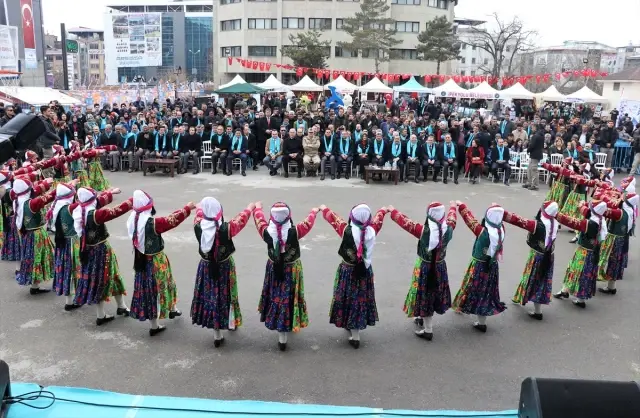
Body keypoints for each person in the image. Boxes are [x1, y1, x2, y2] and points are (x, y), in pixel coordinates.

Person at [252, 201, 319, 351]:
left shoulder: (266, 231)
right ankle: (288, 325)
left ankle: (281, 336)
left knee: (277, 295)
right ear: (288, 216)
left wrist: (257, 208)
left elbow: (259, 220)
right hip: (292, 269)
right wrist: (314, 211)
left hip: (273, 267)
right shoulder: (296, 231)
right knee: (289, 297)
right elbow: (308, 222)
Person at [320, 204, 387, 348]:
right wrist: (383, 210)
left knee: (348, 298)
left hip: (347, 271)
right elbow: (378, 221)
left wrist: (324, 208)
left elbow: (334, 219)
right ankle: (355, 333)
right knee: (360, 299)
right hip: (365, 271)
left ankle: (353, 331)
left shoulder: (346, 230)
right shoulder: (372, 230)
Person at [128, 190, 195, 336]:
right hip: (156, 261)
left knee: (149, 290)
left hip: (140, 259)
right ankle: (162, 318)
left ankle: (166, 314)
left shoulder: (132, 220)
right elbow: (171, 220)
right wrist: (187, 208)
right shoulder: (152, 223)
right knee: (164, 285)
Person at [388, 201, 457, 340]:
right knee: (431, 294)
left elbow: (405, 222)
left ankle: (428, 329)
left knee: (425, 295)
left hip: (425, 267)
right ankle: (420, 317)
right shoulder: (448, 229)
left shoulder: (423, 231)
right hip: (440, 266)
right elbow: (452, 219)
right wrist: (454, 207)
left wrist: (392, 211)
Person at [190, 198, 254, 347]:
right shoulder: (226, 228)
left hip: (206, 267)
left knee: (211, 296)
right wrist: (250, 207)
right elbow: (241, 219)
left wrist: (199, 207)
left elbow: (199, 214)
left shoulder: (198, 226)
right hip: (225, 266)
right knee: (227, 295)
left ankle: (217, 335)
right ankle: (230, 322)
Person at [73, 187, 132, 325]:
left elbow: (99, 201)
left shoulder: (78, 210)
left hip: (88, 250)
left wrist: (110, 192)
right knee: (105, 279)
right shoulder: (95, 215)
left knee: (102, 278)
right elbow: (114, 211)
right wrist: (131, 202)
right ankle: (102, 314)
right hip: (101, 250)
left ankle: (120, 306)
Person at [452, 202, 507, 332]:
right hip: (492, 266)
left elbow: (469, 219)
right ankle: (481, 322)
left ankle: (461, 305)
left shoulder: (483, 232)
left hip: (478, 265)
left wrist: (461, 206)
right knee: (486, 292)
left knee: (470, 285)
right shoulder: (501, 230)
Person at [503, 202, 559, 320]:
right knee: (541, 280)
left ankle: (537, 311)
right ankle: (520, 296)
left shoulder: (538, 225)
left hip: (537, 256)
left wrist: (501, 213)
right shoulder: (555, 223)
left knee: (534, 278)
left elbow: (518, 221)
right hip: (549, 256)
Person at [554, 201, 614, 308]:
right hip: (591, 252)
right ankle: (565, 290)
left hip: (585, 253)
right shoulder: (600, 219)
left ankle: (580, 299)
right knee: (576, 270)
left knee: (579, 273)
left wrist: (557, 214)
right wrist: (582, 205)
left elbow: (572, 222)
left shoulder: (590, 223)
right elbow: (585, 211)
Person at [13, 178, 56, 295]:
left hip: (28, 234)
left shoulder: (17, 201)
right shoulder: (31, 203)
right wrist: (61, 189)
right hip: (36, 235)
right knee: (39, 258)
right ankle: (35, 285)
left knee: (32, 258)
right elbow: (48, 198)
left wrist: (45, 184)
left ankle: (35, 285)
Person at [48, 181, 84, 311]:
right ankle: (72, 300)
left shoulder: (56, 206)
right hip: (71, 243)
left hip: (61, 244)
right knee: (74, 270)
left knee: (66, 270)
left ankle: (70, 300)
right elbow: (86, 203)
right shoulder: (69, 208)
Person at [596, 192, 638, 294]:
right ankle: (612, 287)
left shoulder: (620, 212)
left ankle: (594, 281)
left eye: (623, 198)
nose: (620, 198)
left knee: (602, 259)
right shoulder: (630, 211)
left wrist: (597, 200)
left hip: (613, 240)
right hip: (621, 240)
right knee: (614, 263)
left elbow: (604, 211)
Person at [523, 124, 543, 191]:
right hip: (536, 154)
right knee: (529, 168)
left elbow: (532, 145)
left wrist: (528, 150)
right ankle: (529, 182)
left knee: (534, 170)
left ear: (535, 128)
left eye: (532, 128)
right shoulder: (541, 135)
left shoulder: (536, 136)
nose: (532, 129)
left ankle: (535, 185)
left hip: (535, 154)